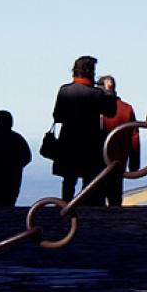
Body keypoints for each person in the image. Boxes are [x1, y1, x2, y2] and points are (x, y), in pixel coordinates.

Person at [50, 55, 114, 202]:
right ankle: (86, 205)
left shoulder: (64, 91)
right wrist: (109, 92)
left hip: (68, 139)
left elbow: (57, 116)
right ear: (90, 72)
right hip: (90, 141)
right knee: (89, 177)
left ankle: (66, 204)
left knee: (69, 179)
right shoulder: (96, 94)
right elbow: (110, 112)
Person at [98, 75, 140, 206]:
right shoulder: (126, 109)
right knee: (115, 197)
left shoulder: (94, 108)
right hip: (119, 160)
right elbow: (134, 137)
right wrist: (134, 163)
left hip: (96, 159)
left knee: (94, 198)